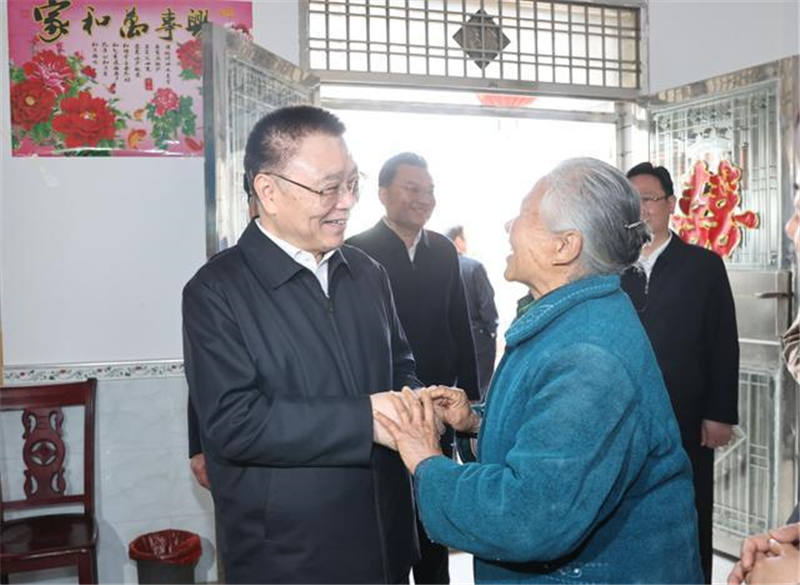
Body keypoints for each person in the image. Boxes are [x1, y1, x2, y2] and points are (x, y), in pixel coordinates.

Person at [376, 157, 704, 584]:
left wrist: (425, 459)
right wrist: (477, 422)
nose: (508, 226)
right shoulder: (571, 319)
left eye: (524, 215)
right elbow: (558, 437)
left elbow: (528, 517)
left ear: (565, 246)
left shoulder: (588, 356)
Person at [182, 105, 420, 583]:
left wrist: (415, 402)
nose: (346, 202)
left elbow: (400, 364)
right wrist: (365, 419)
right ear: (268, 192)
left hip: (385, 536)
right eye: (328, 188)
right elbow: (233, 423)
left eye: (351, 183)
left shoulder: (367, 273)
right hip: (290, 555)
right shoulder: (216, 291)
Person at [347, 152, 480, 584]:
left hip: (438, 407)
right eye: (412, 189)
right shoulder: (356, 251)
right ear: (383, 194)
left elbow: (460, 326)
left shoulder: (442, 250)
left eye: (429, 190)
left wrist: (471, 403)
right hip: (387, 411)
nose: (424, 198)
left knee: (433, 516)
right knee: (388, 520)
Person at [620, 162, 739, 583]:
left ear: (671, 204)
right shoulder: (611, 268)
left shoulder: (703, 266)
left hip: (686, 415)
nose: (640, 209)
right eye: (631, 201)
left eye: (649, 199)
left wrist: (719, 413)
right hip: (624, 417)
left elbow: (723, 342)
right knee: (628, 514)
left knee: (690, 508)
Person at [446, 225, 499, 399]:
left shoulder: (437, 269)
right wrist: (492, 330)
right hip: (477, 336)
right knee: (481, 386)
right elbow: (486, 302)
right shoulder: (473, 267)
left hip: (449, 336)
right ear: (458, 241)